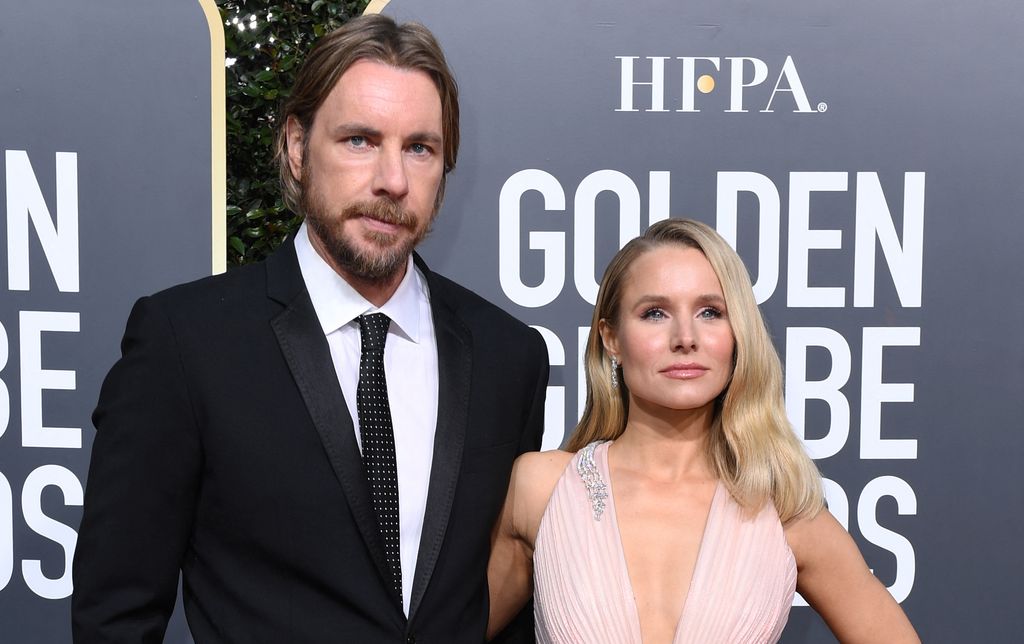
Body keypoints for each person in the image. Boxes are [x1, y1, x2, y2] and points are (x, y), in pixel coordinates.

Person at [72, 14, 548, 643]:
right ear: (297, 147)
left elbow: (502, 602)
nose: (392, 181)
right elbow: (115, 616)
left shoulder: (506, 356)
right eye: (359, 140)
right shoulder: (186, 343)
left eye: (419, 148)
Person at [487, 219, 919, 643]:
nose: (685, 337)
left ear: (737, 335)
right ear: (611, 338)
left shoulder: (783, 510)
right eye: (654, 313)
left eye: (710, 312)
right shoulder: (541, 489)